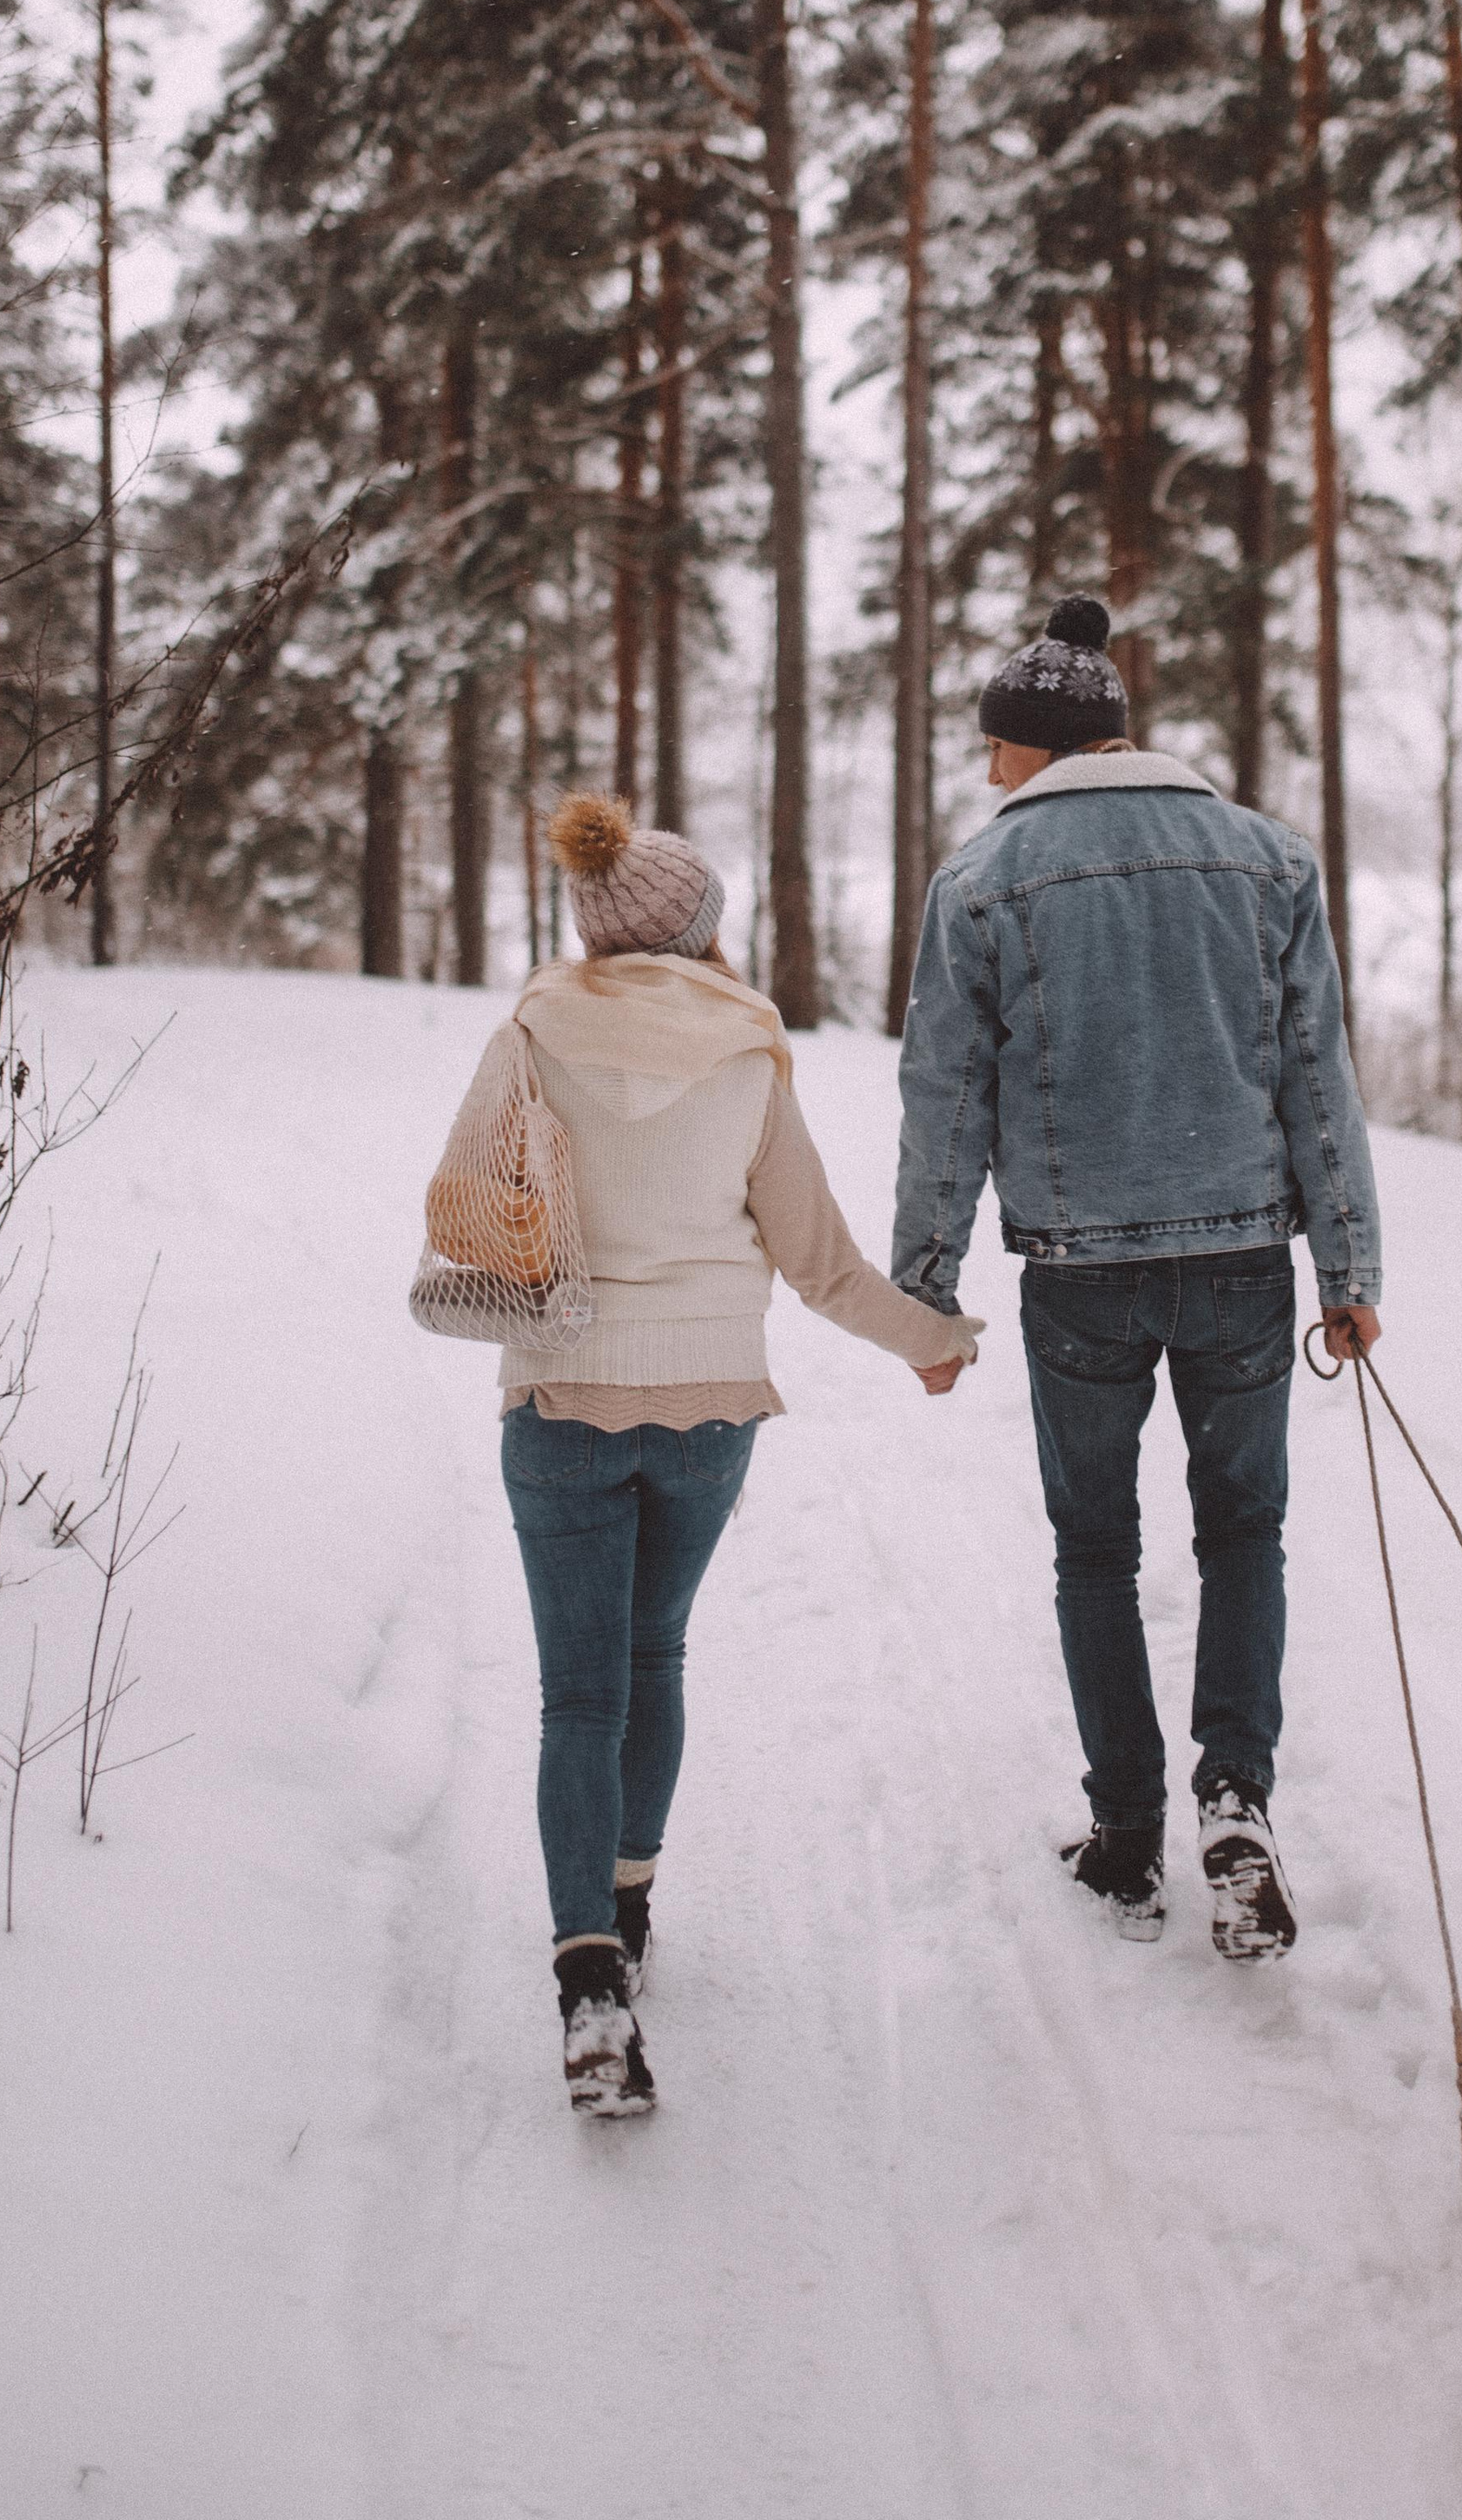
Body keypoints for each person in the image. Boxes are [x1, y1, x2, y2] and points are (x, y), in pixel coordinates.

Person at [890, 596, 1381, 1958]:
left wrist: (920, 1290)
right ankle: (1238, 1801)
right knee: (1243, 1534)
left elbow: (946, 1097)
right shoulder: (1268, 862)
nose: (988, 770)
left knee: (1096, 1548)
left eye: (996, 746)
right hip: (1239, 1262)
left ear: (1037, 749)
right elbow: (1315, 1080)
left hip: (1084, 1277)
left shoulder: (982, 882)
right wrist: (1348, 1263)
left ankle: (1127, 1836)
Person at [494, 792, 979, 2117]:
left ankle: (587, 1971)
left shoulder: (534, 1030)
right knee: (653, 1654)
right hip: (706, 1405)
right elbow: (817, 1262)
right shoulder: (750, 1056)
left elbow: (480, 1190)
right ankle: (631, 1907)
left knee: (576, 1695)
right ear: (701, 931)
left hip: (560, 1397)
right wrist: (927, 1339)